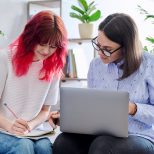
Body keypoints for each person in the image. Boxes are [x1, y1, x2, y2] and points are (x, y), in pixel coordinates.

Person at [53, 13, 154, 154]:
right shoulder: (95, 65)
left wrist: (133, 109)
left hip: (139, 135)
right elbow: (91, 106)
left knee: (103, 147)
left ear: (126, 47)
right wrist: (67, 116)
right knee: (63, 142)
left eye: (107, 49)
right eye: (98, 45)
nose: (100, 53)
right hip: (100, 133)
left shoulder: (149, 64)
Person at [0, 10, 67, 154]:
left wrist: (30, 125)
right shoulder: (5, 58)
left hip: (33, 130)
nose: (46, 51)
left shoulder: (53, 67)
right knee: (24, 146)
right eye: (42, 43)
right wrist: (9, 125)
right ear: (30, 37)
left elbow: (45, 111)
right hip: (3, 129)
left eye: (53, 46)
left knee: (43, 148)